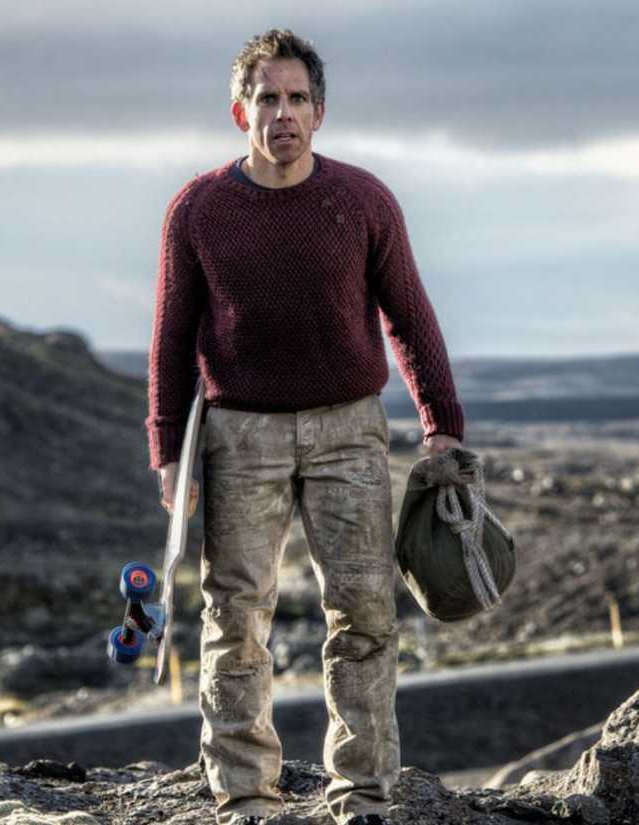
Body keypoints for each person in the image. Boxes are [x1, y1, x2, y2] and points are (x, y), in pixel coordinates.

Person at [145, 28, 464, 825]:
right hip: (238, 434)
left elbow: (410, 316)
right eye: (267, 98)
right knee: (234, 616)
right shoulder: (198, 209)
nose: (281, 113)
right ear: (240, 112)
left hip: (349, 430)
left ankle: (362, 794)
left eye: (296, 99)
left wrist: (442, 423)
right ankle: (245, 796)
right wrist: (167, 454)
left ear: (320, 112)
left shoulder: (362, 201)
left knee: (364, 612)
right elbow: (171, 338)